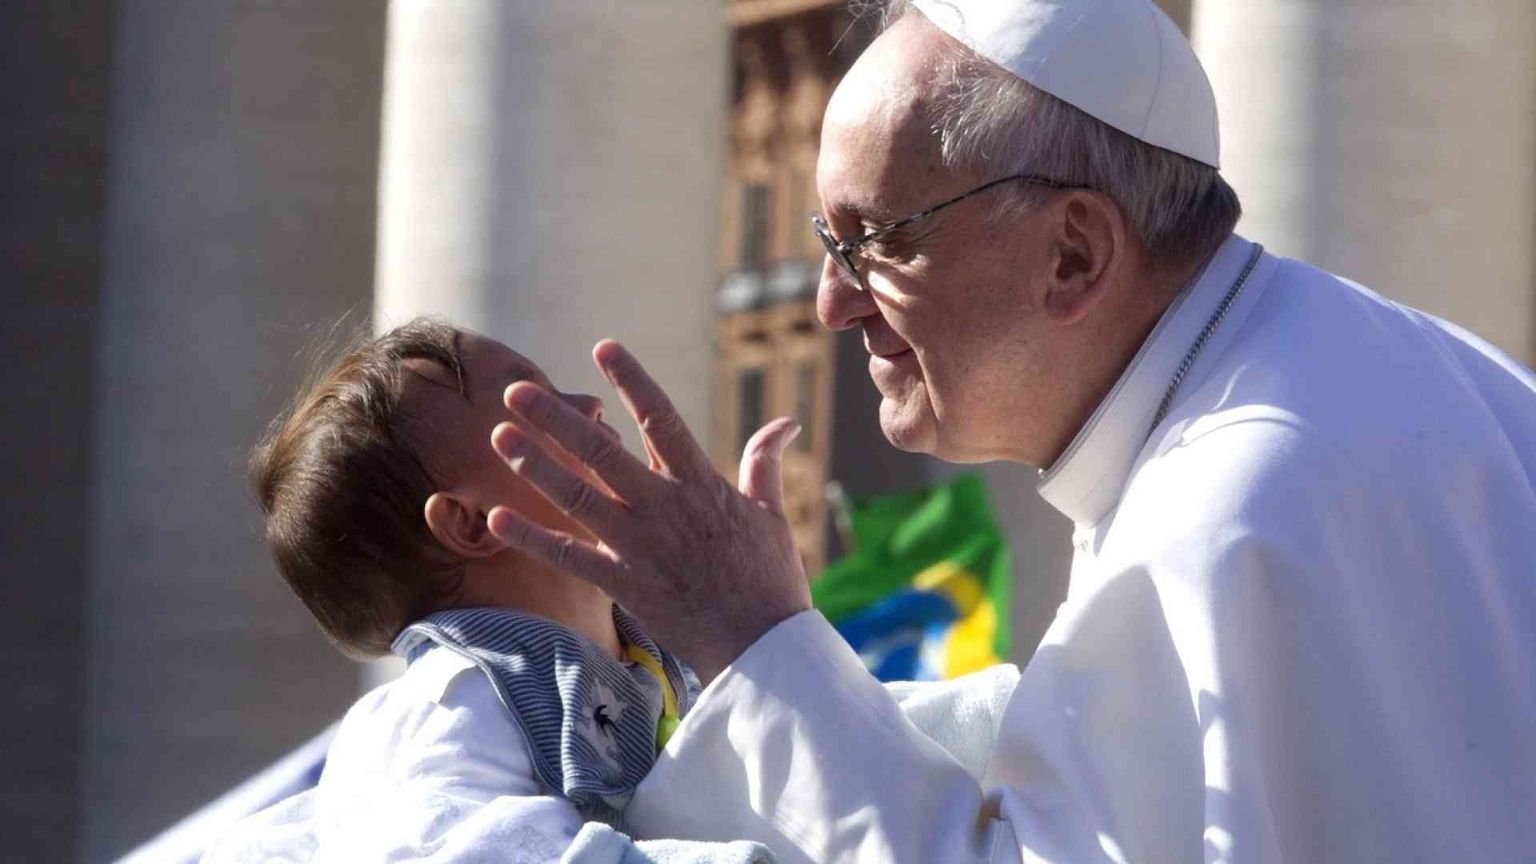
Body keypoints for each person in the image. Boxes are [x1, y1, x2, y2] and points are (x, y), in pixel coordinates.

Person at [482, 0, 1536, 861]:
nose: (830, 304)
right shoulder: (1423, 369)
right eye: (823, 241)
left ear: (1075, 254)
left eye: (875, 241)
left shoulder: (1219, 515)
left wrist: (753, 640)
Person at [204, 320, 772, 862]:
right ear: (472, 523)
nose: (586, 407)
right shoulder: (452, 698)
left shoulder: (662, 654)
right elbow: (444, 850)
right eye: (534, 403)